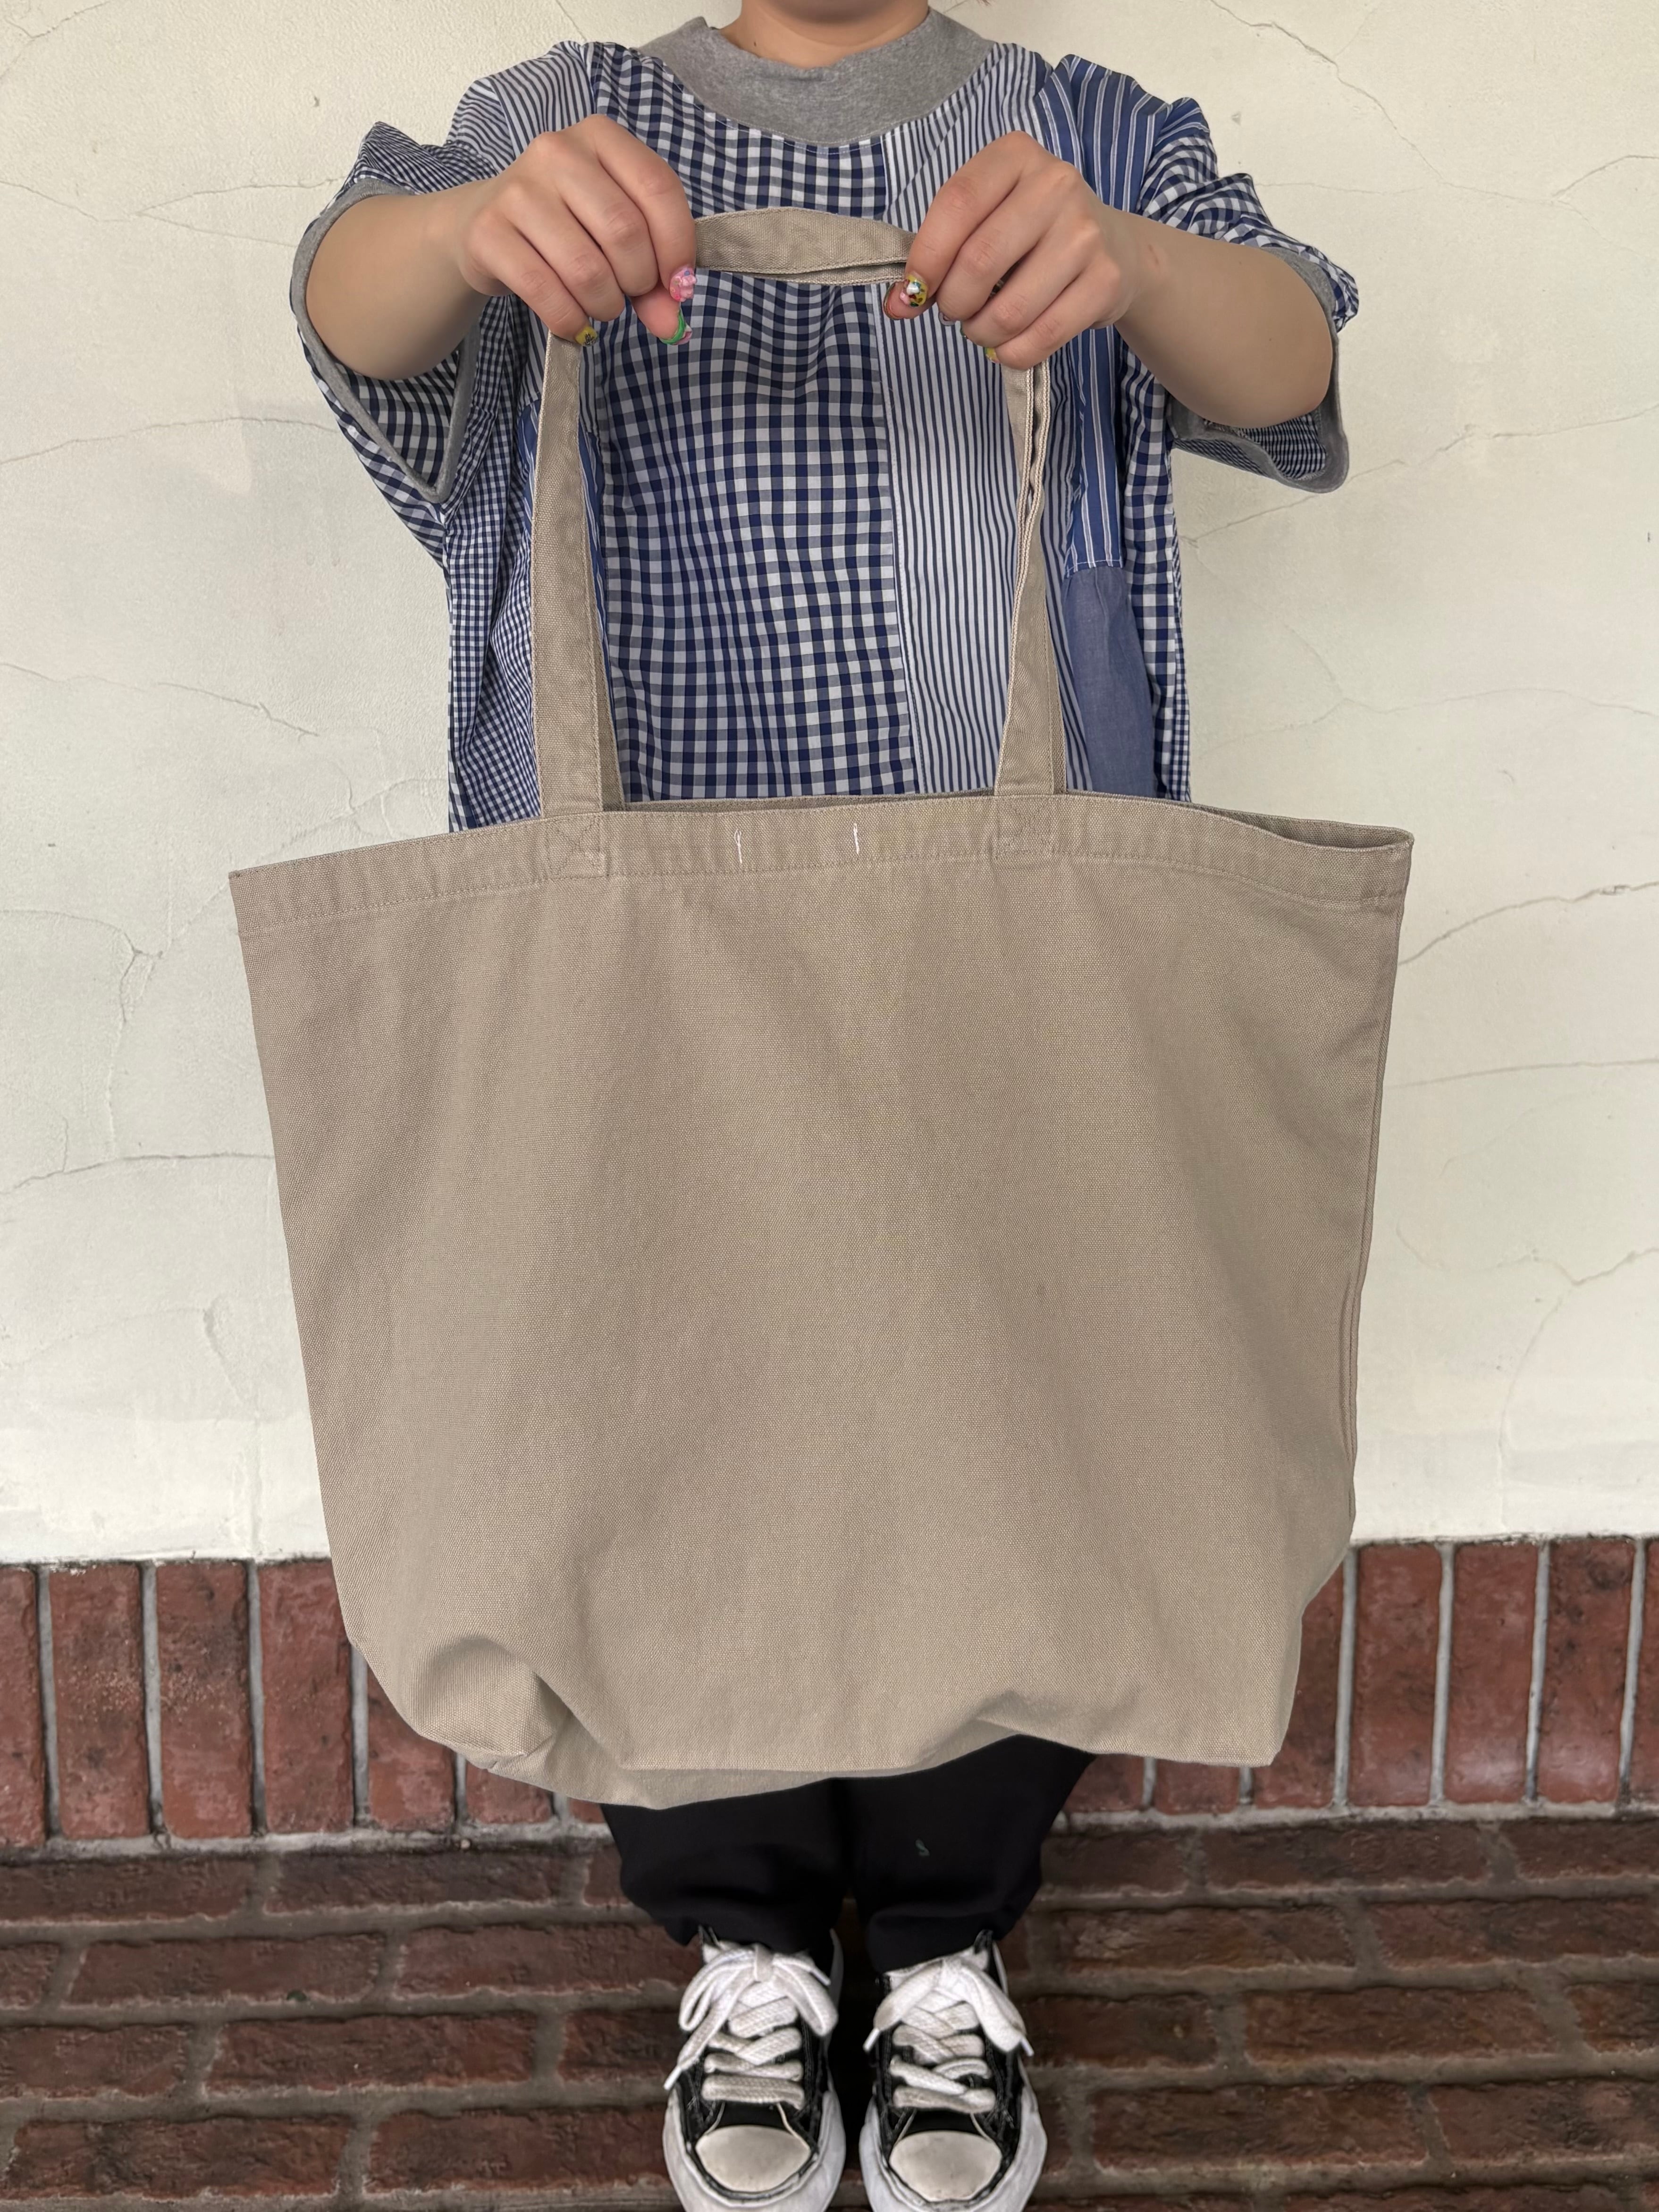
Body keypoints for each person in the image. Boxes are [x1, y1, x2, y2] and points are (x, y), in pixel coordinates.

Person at [291, 5, 1356, 2208]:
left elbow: (1290, 361)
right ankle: (750, 1934)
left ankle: (952, 1933)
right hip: (645, 936)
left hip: (1013, 934)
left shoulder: (1092, 129)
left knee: (1018, 1396)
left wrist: (1136, 262)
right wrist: (479, 228)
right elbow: (349, 299)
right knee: (658, 1399)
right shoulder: (549, 120)